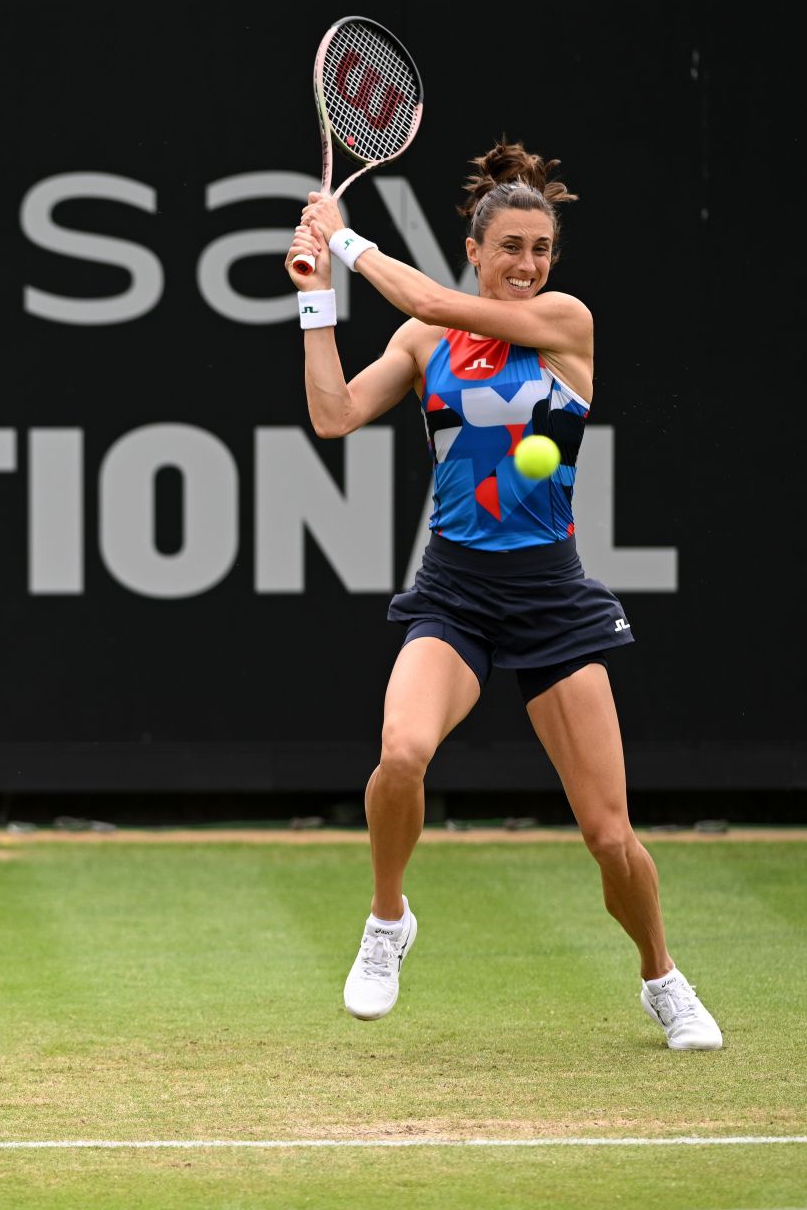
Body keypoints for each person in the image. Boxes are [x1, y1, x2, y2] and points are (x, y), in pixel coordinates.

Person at [285, 139, 722, 1050]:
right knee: (401, 752)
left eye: (540, 249)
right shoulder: (422, 340)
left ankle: (661, 975)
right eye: (511, 248)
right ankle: (387, 920)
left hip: (552, 596)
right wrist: (313, 292)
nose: (527, 266)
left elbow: (437, 299)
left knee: (610, 837)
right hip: (453, 590)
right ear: (477, 246)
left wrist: (351, 242)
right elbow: (333, 413)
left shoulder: (565, 321)